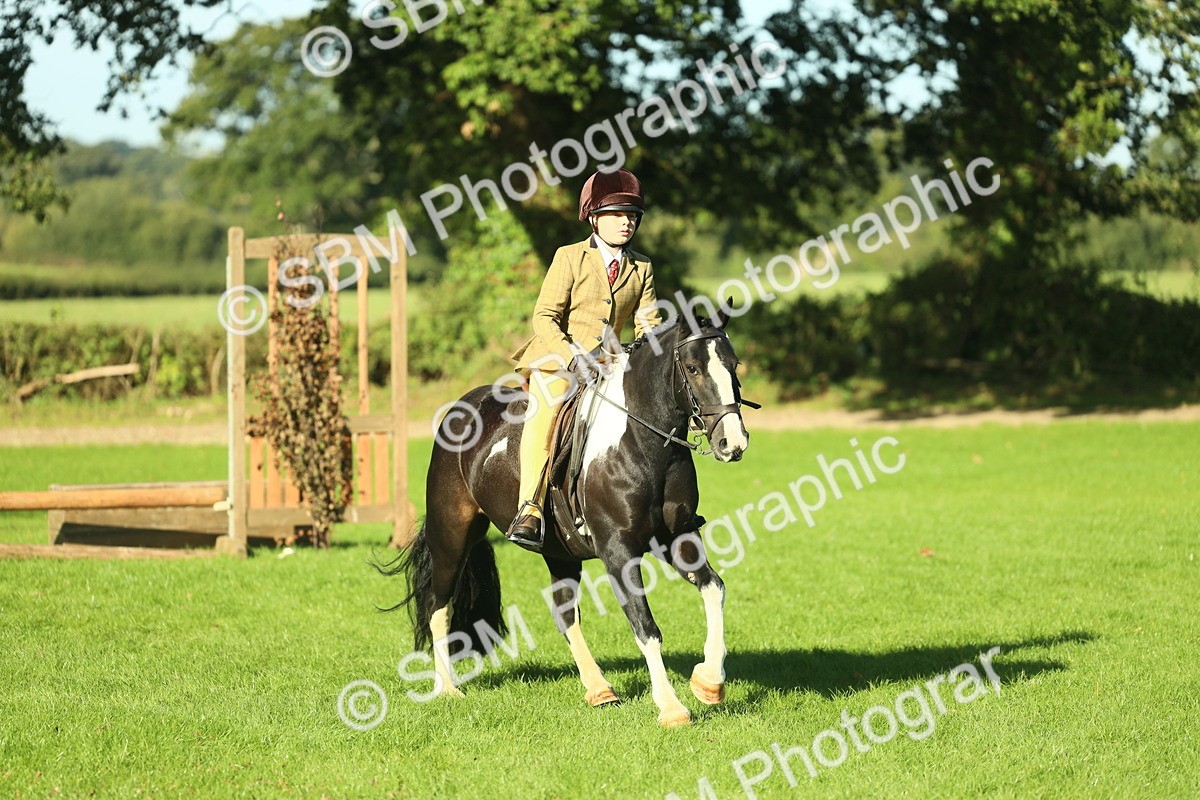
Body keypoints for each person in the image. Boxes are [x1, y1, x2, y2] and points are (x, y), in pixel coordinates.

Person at [506, 167, 664, 547]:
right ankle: (529, 508)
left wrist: (647, 360)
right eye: (617, 214)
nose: (627, 222)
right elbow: (544, 316)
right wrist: (572, 355)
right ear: (594, 218)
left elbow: (648, 323)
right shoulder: (569, 257)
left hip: (610, 363)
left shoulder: (641, 266)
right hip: (558, 360)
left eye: (632, 215)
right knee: (545, 417)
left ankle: (664, 504)